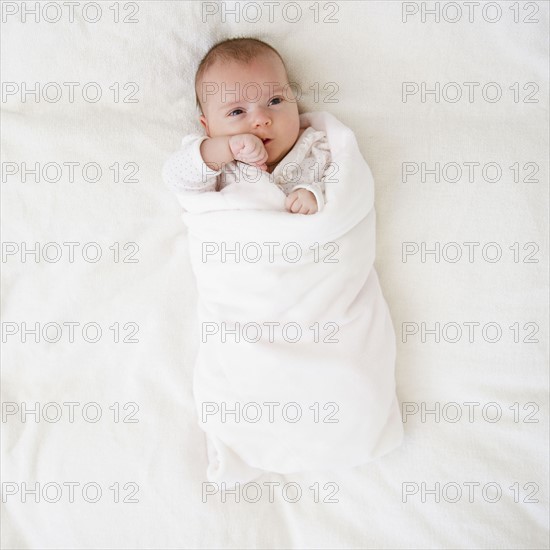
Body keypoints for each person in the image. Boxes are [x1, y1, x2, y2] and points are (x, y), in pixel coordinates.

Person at [162, 37, 332, 215]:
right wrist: (227, 148)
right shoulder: (218, 164)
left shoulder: (316, 147)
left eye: (274, 101)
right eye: (237, 112)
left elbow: (344, 188)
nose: (261, 119)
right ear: (208, 127)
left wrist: (314, 195)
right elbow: (175, 177)